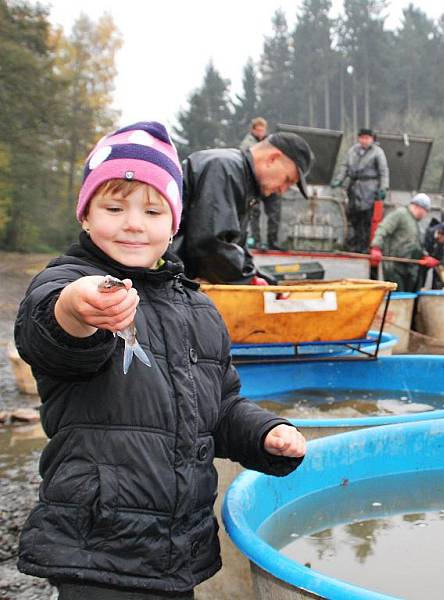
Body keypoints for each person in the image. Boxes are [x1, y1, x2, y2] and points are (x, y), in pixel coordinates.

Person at [13, 121, 307, 598]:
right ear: (85, 215)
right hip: (97, 546)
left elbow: (222, 408)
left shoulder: (198, 307)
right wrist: (76, 308)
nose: (133, 223)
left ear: (173, 225)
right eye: (113, 207)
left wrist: (264, 432)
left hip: (177, 550)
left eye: (152, 210)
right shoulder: (68, 281)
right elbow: (47, 335)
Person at [173, 131, 313, 284]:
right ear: (273, 159)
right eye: (287, 180)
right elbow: (209, 245)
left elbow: (235, 246)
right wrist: (249, 280)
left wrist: (262, 279)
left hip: (178, 274)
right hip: (167, 276)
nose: (282, 190)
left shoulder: (243, 178)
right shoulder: (224, 169)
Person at [331, 128, 390, 253]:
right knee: (352, 217)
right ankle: (351, 244)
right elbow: (345, 167)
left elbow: (384, 172)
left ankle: (364, 247)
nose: (364, 140)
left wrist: (383, 188)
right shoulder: (352, 150)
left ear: (372, 139)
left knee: (366, 219)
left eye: (367, 138)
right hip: (353, 188)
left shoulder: (377, 152)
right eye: (362, 138)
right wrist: (338, 180)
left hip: (369, 188)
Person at [370, 193, 439, 292]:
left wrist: (424, 256)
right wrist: (376, 247)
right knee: (397, 296)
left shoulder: (415, 223)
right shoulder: (400, 214)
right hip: (394, 266)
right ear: (420, 207)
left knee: (407, 296)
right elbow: (383, 228)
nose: (425, 215)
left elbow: (415, 244)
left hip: (408, 267)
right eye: (426, 211)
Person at [239, 117, 283, 251]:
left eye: (263, 130)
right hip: (255, 183)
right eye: (258, 130)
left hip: (271, 182)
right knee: (254, 213)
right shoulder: (247, 144)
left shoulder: (271, 141)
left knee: (274, 213)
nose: (261, 132)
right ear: (253, 130)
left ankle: (272, 241)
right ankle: (255, 240)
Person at [421, 221, 444, 289]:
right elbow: (420, 249)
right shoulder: (426, 234)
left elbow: (441, 259)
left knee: (439, 275)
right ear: (440, 234)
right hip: (422, 262)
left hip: (434, 260)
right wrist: (426, 256)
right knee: (421, 278)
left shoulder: (442, 242)